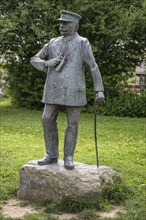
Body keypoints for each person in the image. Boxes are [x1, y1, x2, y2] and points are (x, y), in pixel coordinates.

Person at [30, 10, 105, 170]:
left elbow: (92, 67)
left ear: (75, 25)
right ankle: (51, 154)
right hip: (53, 89)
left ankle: (68, 157)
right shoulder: (52, 43)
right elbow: (34, 59)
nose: (61, 26)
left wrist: (99, 90)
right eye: (60, 23)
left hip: (74, 89)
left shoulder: (82, 43)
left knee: (73, 123)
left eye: (66, 23)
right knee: (47, 119)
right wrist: (47, 63)